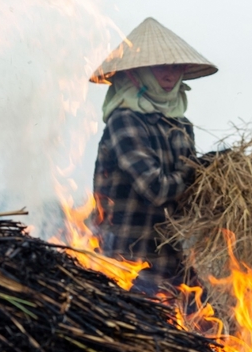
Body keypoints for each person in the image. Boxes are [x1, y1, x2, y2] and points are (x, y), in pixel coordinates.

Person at [89, 17, 218, 295]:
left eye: (176, 67)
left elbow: (186, 192)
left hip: (168, 258)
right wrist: (201, 170)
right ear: (138, 72)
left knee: (218, 328)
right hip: (126, 261)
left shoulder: (180, 125)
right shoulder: (124, 120)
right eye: (161, 67)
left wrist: (218, 175)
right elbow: (156, 188)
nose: (170, 76)